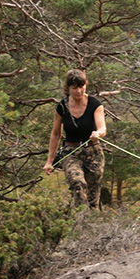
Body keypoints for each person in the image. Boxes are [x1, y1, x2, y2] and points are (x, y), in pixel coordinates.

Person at [43, 69, 107, 209]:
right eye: (74, 88)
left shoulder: (95, 104)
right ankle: (80, 218)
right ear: (68, 88)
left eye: (81, 86)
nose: (78, 91)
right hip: (71, 152)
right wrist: (49, 161)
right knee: (77, 184)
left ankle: (92, 221)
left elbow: (103, 128)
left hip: (93, 152)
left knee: (93, 194)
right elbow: (55, 134)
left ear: (86, 85)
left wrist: (98, 133)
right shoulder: (62, 106)